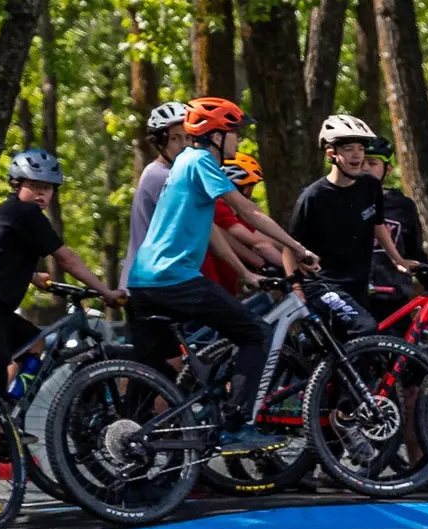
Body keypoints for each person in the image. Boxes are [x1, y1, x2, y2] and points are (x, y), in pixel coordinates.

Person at [127, 96, 322, 455]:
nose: (238, 140)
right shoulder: (201, 161)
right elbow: (246, 210)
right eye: (234, 132)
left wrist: (244, 272)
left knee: (174, 369)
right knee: (255, 334)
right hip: (175, 280)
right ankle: (237, 426)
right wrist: (297, 248)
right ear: (215, 135)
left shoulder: (184, 162)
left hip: (144, 282)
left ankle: (159, 457)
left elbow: (214, 232)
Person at [0, 149, 126, 508]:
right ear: (18, 185)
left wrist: (31, 275)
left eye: (49, 187)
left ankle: (6, 409)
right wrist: (106, 291)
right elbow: (67, 257)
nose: (43, 194)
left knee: (34, 343)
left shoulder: (6, 213)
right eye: (35, 186)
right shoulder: (26, 214)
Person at [286, 114, 411, 336]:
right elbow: (288, 247)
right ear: (331, 154)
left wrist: (397, 259)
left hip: (359, 284)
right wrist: (296, 288)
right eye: (348, 149)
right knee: (365, 330)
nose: (357, 155)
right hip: (324, 285)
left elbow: (378, 225)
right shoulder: (313, 197)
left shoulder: (370, 186)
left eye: (361, 149)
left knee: (357, 354)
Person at [361, 135, 428, 321]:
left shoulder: (402, 206)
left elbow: (414, 251)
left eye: (372, 162)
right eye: (360, 162)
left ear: (388, 169)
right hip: (353, 298)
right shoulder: (340, 200)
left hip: (393, 299)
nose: (365, 167)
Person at [124, 101, 192, 276]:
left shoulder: (171, 172)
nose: (184, 145)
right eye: (175, 138)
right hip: (150, 279)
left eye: (189, 137)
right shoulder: (161, 177)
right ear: (160, 143)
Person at [200, 152, 280, 295]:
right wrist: (288, 267)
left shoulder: (235, 213)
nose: (250, 193)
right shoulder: (218, 206)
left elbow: (267, 238)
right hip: (210, 281)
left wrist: (293, 250)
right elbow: (258, 245)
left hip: (225, 283)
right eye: (249, 186)